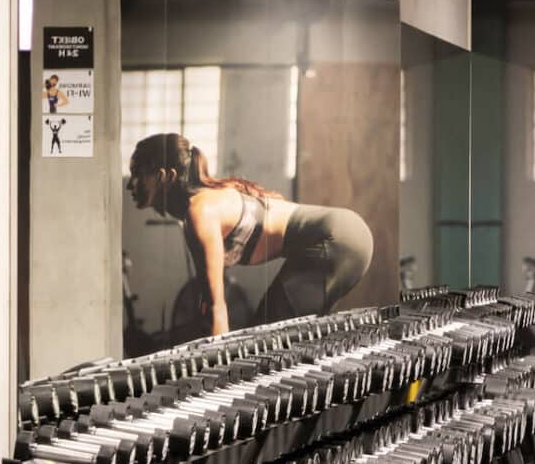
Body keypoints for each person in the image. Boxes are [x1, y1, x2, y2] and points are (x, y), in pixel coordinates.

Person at [126, 132, 374, 336]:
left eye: (137, 173)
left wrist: (220, 377)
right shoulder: (205, 203)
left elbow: (217, 307)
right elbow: (209, 298)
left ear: (163, 176)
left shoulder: (200, 212)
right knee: (297, 343)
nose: (130, 184)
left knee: (264, 340)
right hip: (348, 235)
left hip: (335, 238)